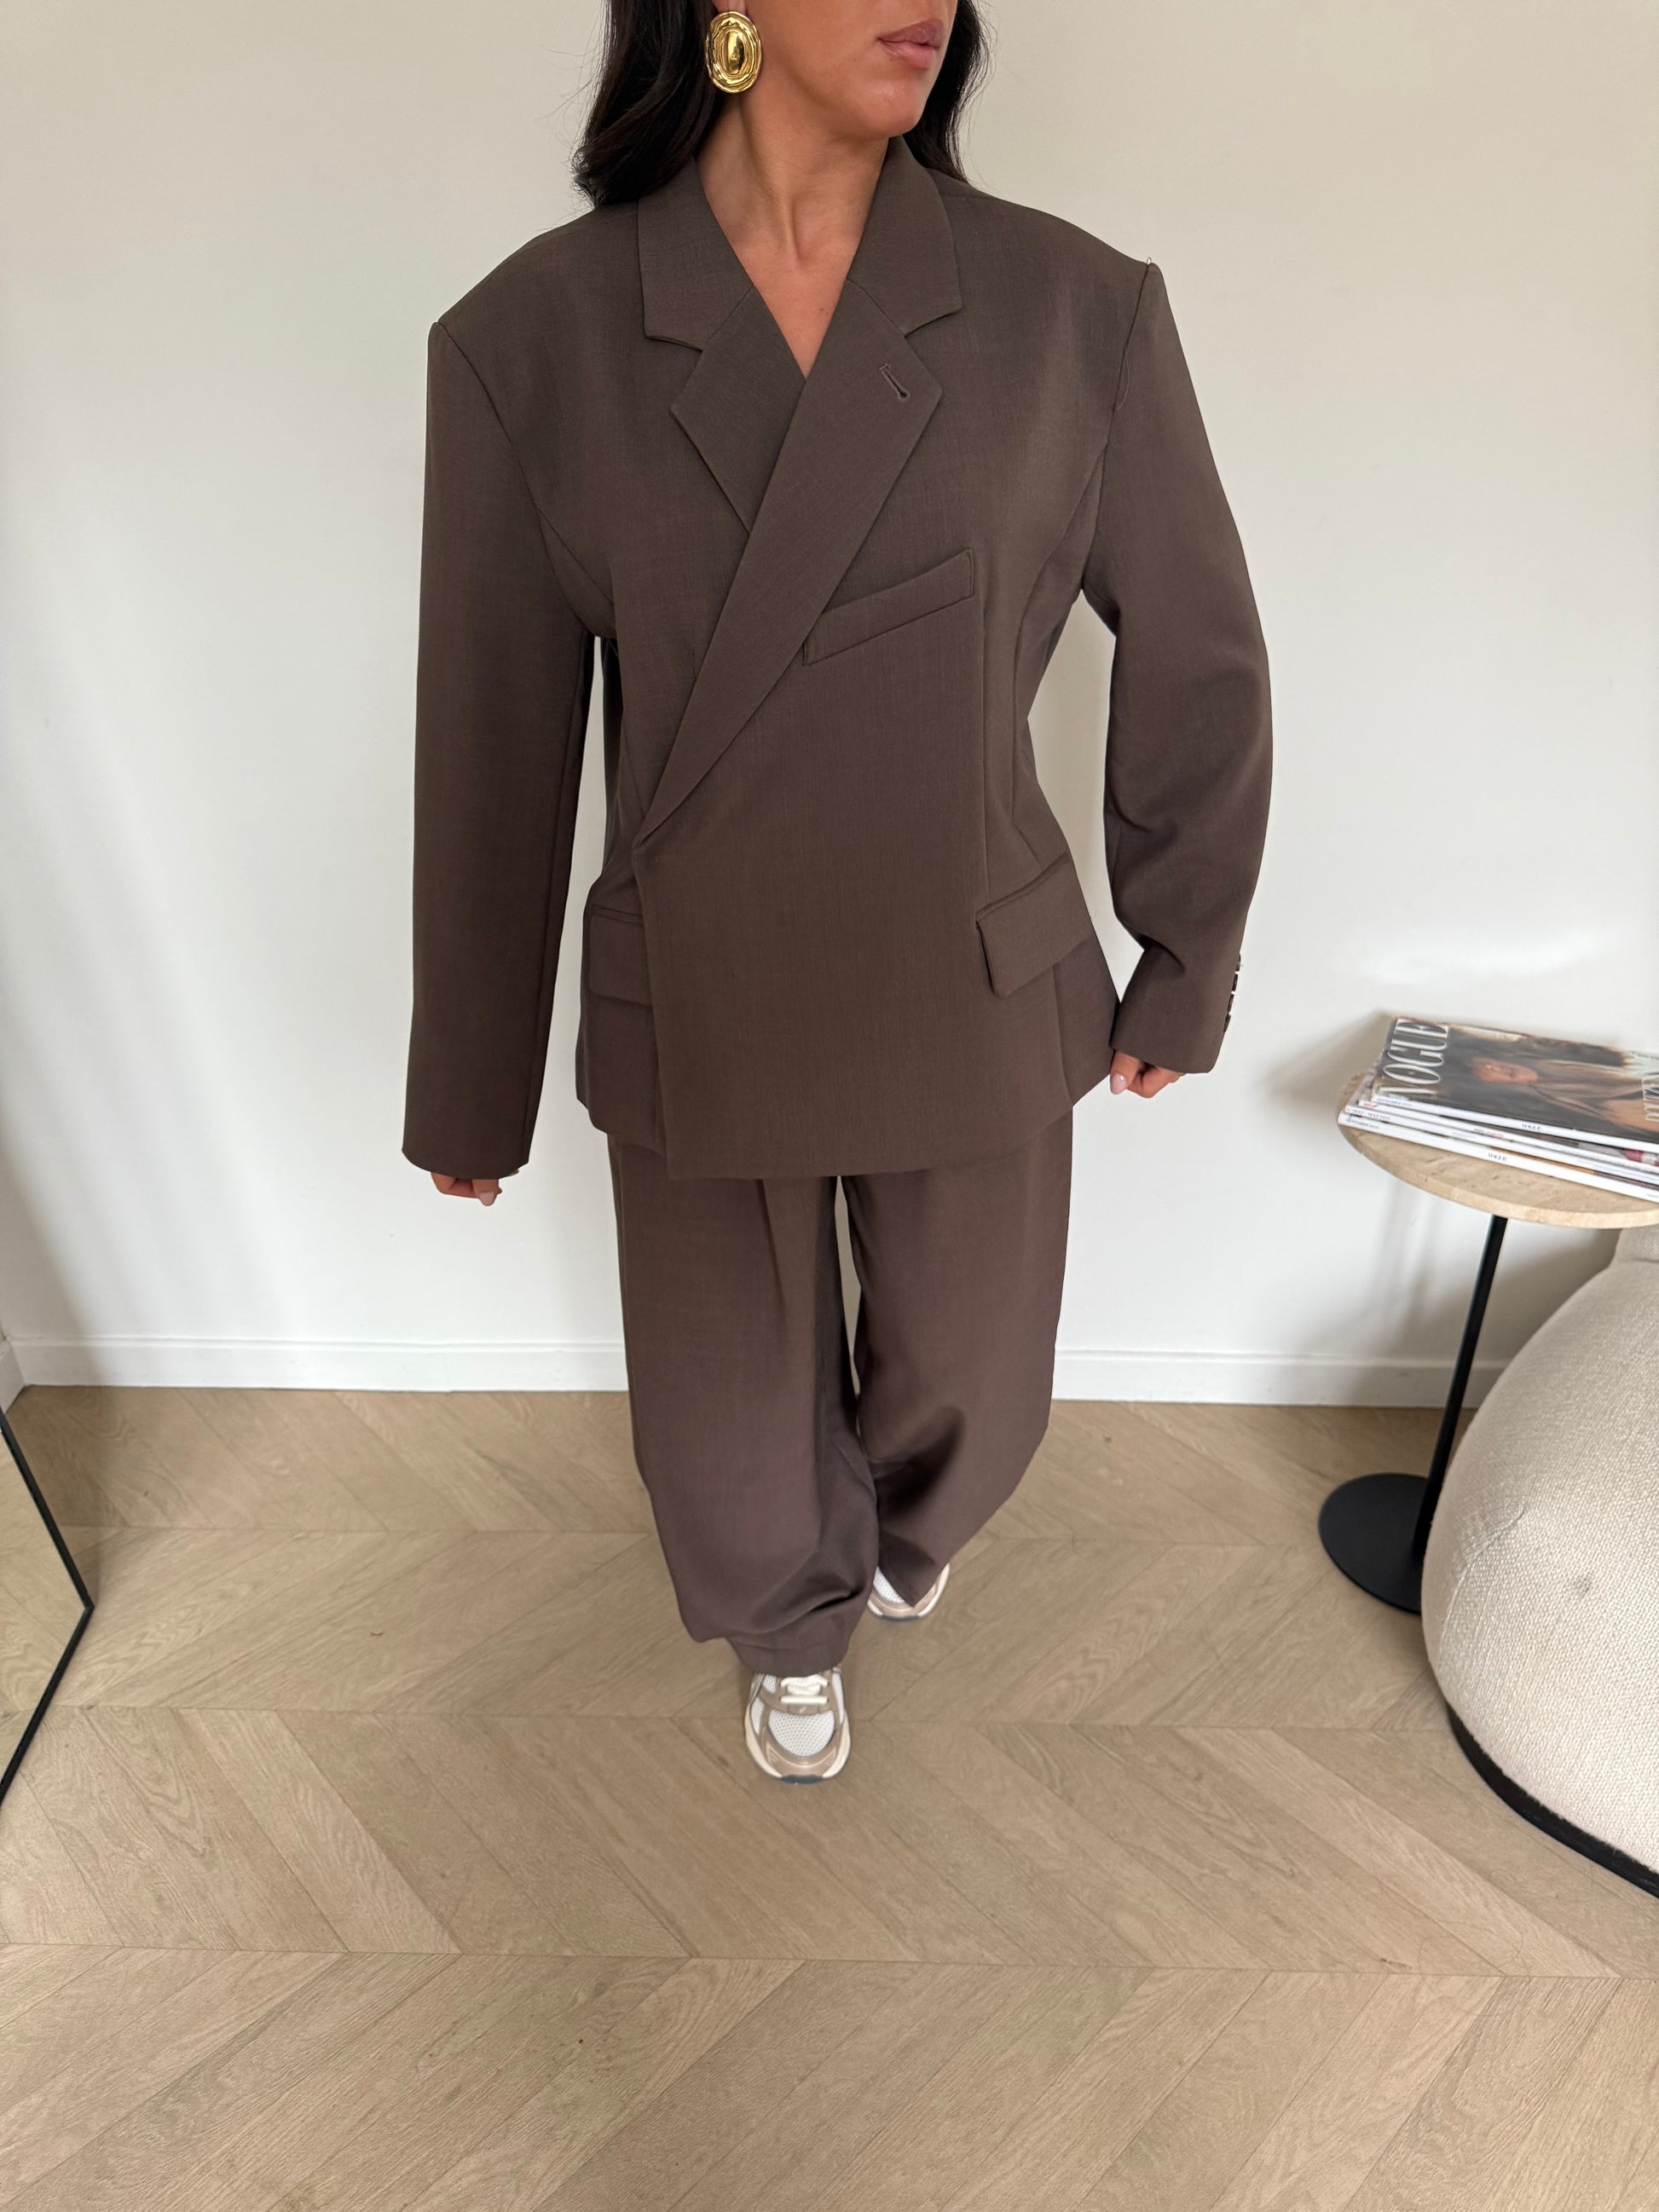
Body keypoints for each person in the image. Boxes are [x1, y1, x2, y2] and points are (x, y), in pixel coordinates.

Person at [402, 0, 1273, 1782]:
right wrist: (469, 1079)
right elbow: (491, 736)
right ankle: (786, 1625)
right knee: (725, 1431)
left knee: (979, 1389)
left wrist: (1184, 948)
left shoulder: (1071, 307)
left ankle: (896, 1533)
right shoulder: (532, 339)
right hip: (701, 980)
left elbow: (1199, 647)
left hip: (973, 961)